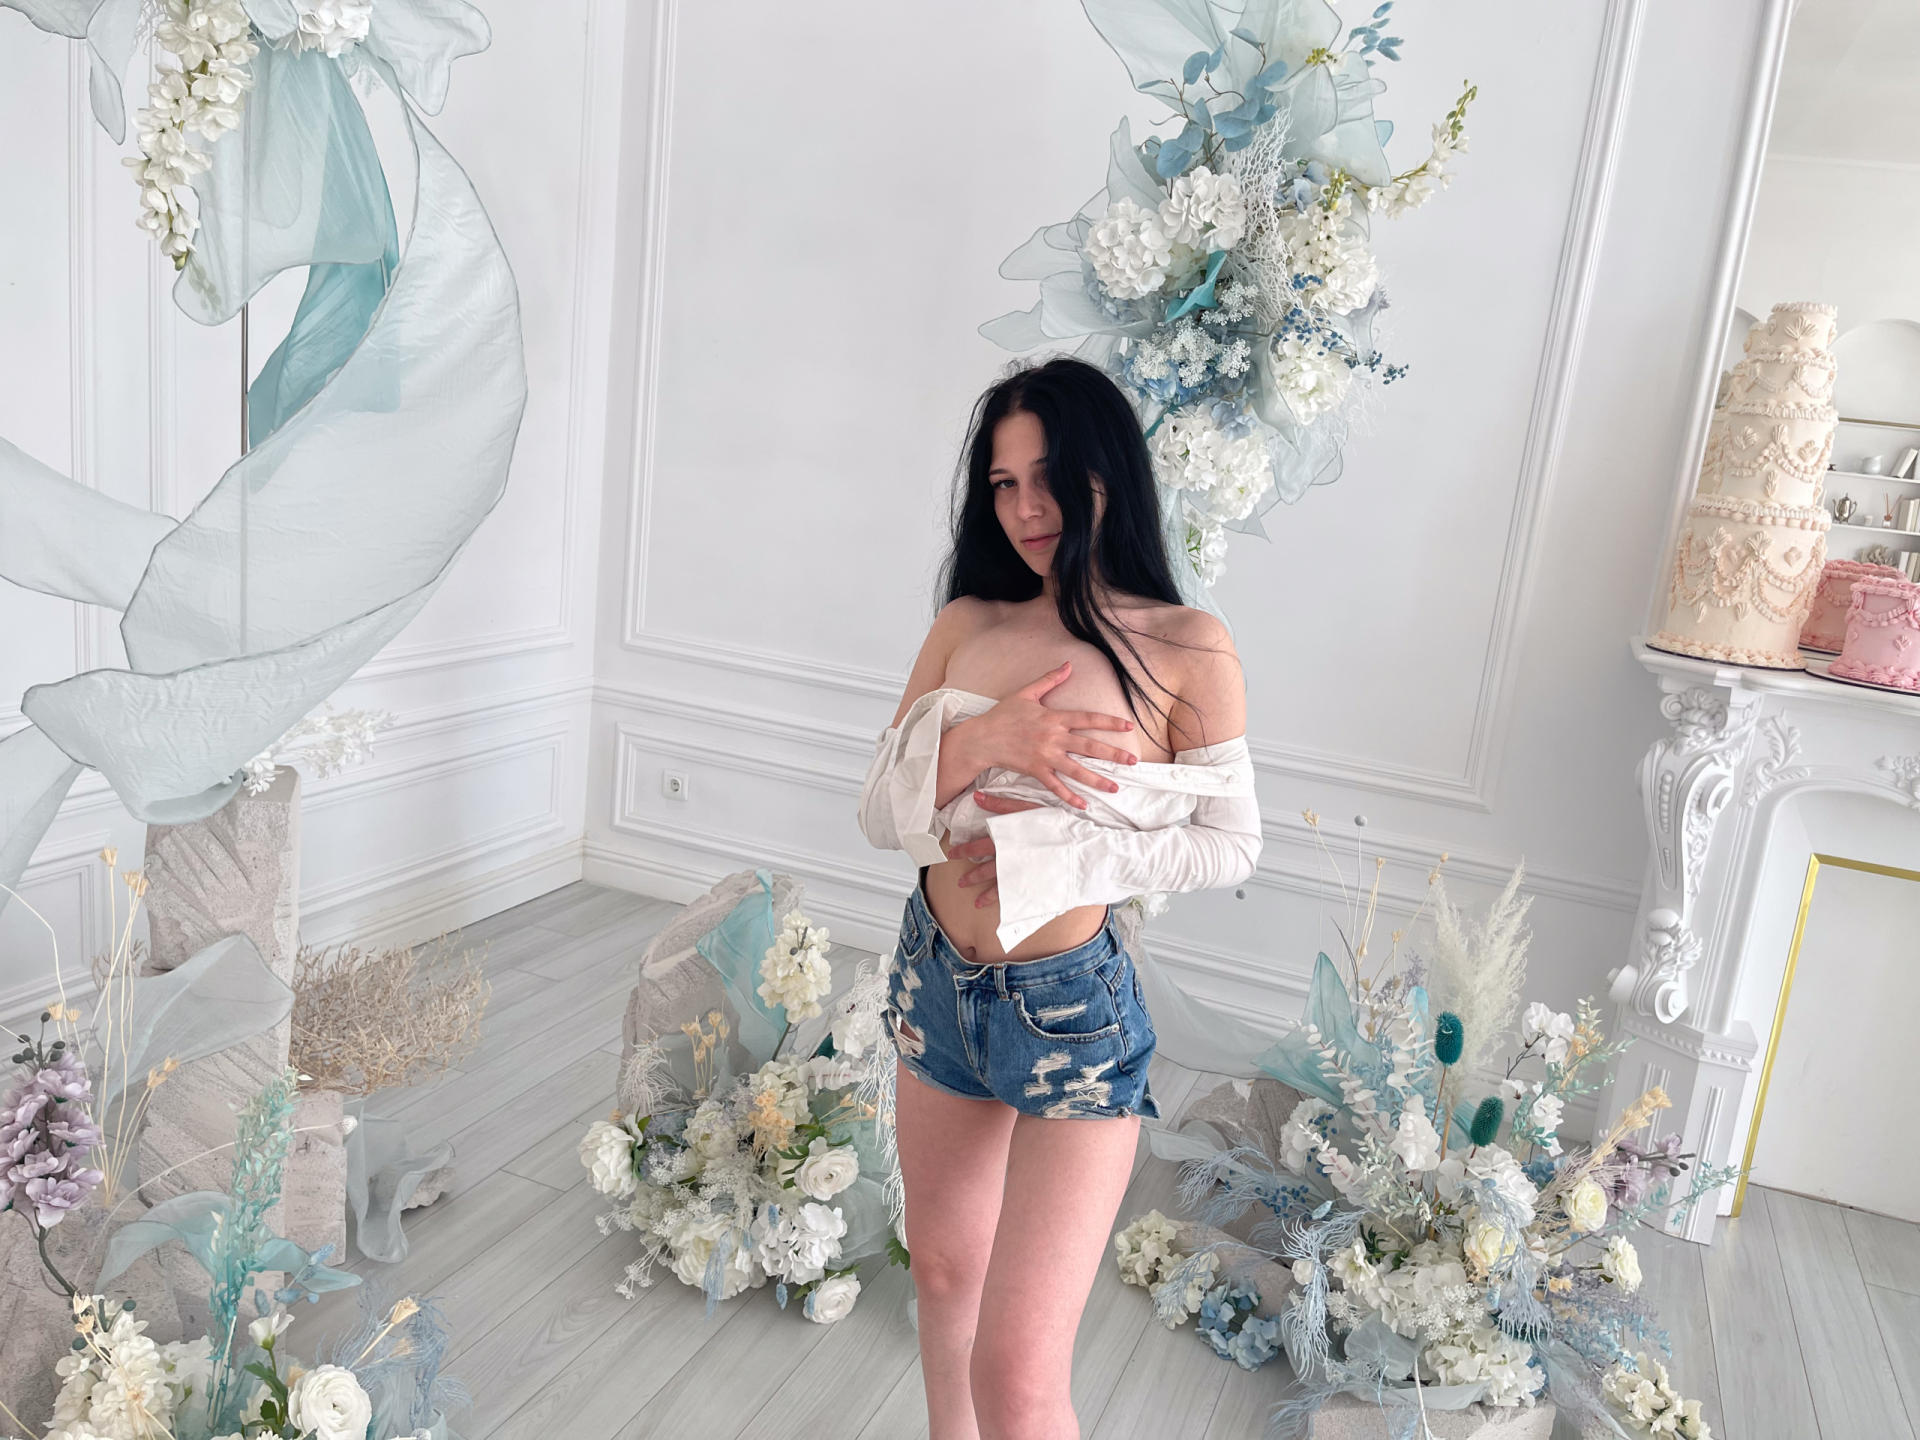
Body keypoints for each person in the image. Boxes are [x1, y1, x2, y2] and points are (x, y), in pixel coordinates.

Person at [856, 356, 1263, 1440]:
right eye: (1002, 484)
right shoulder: (968, 623)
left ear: (1107, 475)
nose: (1026, 509)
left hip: (1068, 1010)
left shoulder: (1186, 646)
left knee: (1019, 1377)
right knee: (942, 1276)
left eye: (1050, 479)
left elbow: (1230, 843)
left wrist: (1055, 853)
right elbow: (880, 808)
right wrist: (985, 739)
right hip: (935, 983)